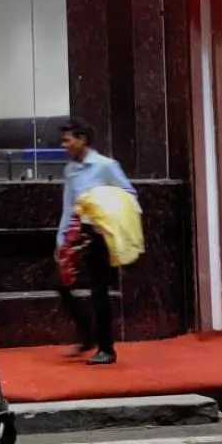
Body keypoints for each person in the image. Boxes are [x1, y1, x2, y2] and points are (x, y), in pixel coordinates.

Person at [55, 117, 134, 366]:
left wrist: (107, 211)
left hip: (100, 234)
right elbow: (69, 205)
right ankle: (87, 336)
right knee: (62, 284)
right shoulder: (70, 170)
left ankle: (106, 349)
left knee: (99, 291)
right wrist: (61, 239)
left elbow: (129, 193)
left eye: (67, 140)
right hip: (78, 234)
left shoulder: (106, 166)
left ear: (82, 140)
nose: (64, 145)